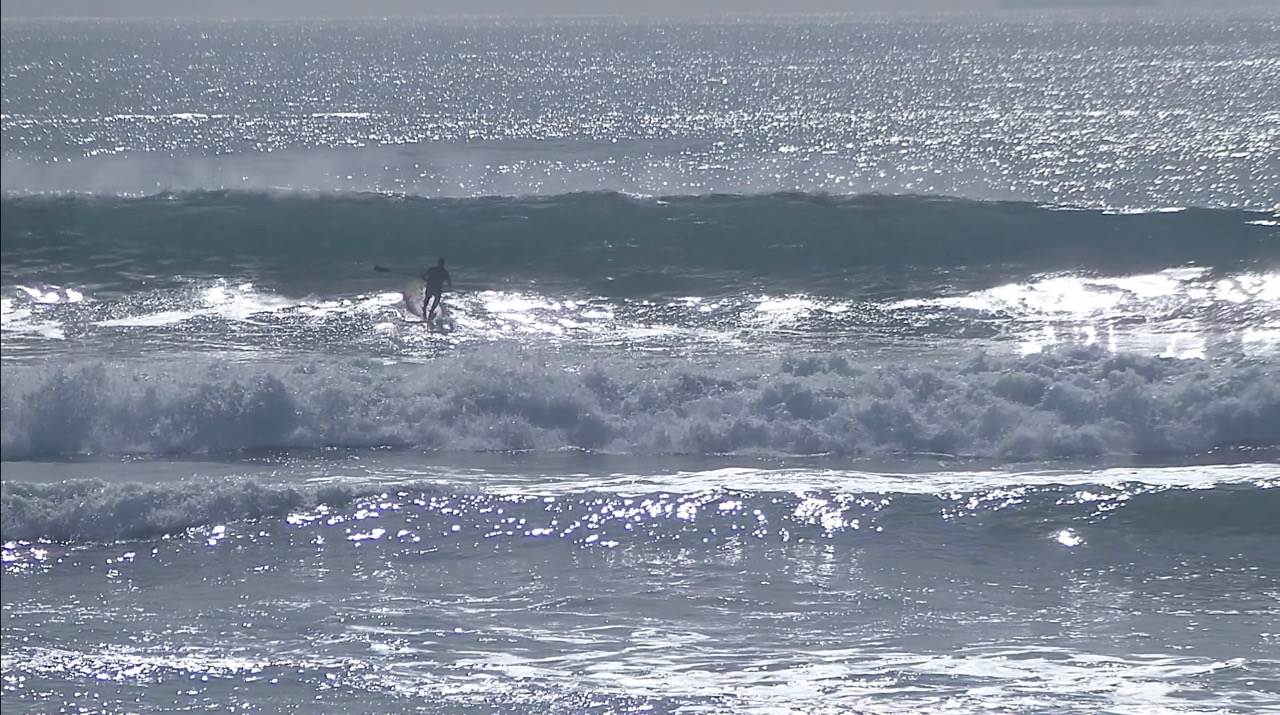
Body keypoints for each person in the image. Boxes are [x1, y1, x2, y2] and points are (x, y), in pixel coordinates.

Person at [422, 258, 451, 322]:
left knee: (431, 300)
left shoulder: (433, 270)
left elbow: (423, 276)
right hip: (434, 288)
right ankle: (427, 312)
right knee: (431, 300)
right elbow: (449, 282)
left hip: (433, 287)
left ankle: (428, 312)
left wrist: (426, 280)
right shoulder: (444, 272)